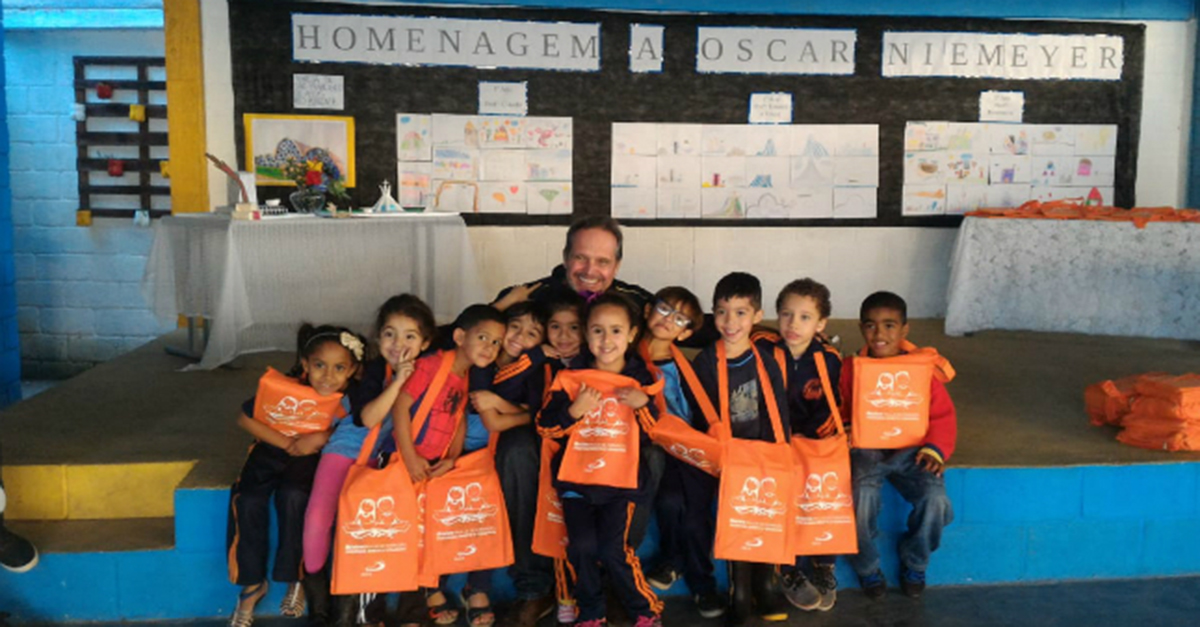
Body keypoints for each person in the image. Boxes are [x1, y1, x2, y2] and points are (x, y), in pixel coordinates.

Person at [365, 304, 507, 627]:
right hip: (402, 461)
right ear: (459, 336)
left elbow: (457, 420)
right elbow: (401, 407)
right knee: (393, 536)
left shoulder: (464, 375)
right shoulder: (431, 366)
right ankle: (370, 612)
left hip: (431, 464)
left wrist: (451, 459)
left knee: (421, 535)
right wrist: (411, 456)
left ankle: (412, 610)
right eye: (483, 337)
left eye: (497, 342)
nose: (490, 347)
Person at [300, 295, 436, 627]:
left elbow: (471, 331)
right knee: (317, 524)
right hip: (348, 449)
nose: (399, 344)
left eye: (410, 336)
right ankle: (320, 604)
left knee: (371, 534)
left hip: (387, 462)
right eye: (390, 334)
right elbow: (368, 417)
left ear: (425, 342)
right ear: (378, 337)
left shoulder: (433, 366)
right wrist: (399, 380)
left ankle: (356, 612)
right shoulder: (374, 370)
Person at [537, 293, 664, 627]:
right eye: (597, 330)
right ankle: (591, 612)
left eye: (616, 330)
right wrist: (573, 411)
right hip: (577, 483)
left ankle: (644, 609)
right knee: (580, 547)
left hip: (622, 485)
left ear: (633, 333)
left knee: (612, 550)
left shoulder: (642, 380)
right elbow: (544, 427)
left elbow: (658, 434)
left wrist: (642, 406)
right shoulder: (570, 379)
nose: (606, 340)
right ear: (585, 334)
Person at [227, 324, 365, 627]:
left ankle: (296, 577)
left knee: (295, 497)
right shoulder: (285, 387)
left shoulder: (352, 398)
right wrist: (288, 443)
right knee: (247, 499)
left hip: (312, 459)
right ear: (305, 364)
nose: (328, 376)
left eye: (339, 368)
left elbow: (356, 429)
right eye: (319, 366)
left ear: (352, 370)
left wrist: (322, 436)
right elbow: (244, 417)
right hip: (271, 450)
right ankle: (252, 585)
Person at [688, 272, 790, 625]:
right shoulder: (705, 361)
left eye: (741, 312)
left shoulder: (767, 359)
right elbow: (702, 416)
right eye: (721, 312)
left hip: (765, 455)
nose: (730, 322)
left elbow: (779, 410)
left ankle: (767, 582)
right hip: (726, 457)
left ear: (758, 316)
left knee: (768, 513)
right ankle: (740, 589)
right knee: (739, 515)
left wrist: (782, 455)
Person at [841, 291, 956, 600]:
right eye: (871, 325)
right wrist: (847, 428)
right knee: (859, 500)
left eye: (890, 326)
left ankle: (916, 561)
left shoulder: (921, 371)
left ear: (905, 330)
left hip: (913, 451)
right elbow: (839, 409)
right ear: (861, 328)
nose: (880, 334)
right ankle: (867, 567)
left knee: (936, 500)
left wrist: (935, 449)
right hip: (867, 452)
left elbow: (943, 416)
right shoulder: (851, 369)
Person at [494, 292, 588, 627]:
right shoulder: (539, 362)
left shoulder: (597, 357)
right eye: (555, 327)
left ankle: (605, 583)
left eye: (574, 327)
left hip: (590, 444)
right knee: (516, 451)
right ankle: (533, 588)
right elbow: (502, 389)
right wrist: (533, 357)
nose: (564, 336)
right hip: (540, 438)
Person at [460, 301, 551, 627]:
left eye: (532, 334)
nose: (519, 337)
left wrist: (501, 404)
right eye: (515, 327)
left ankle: (480, 586)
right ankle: (439, 588)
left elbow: (539, 416)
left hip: (495, 450)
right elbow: (497, 422)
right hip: (469, 447)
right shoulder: (484, 363)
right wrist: (516, 411)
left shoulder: (533, 370)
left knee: (493, 503)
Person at [637, 287, 725, 619]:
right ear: (648, 311)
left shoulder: (685, 365)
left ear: (686, 332)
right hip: (655, 447)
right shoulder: (628, 357)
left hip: (691, 447)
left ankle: (703, 584)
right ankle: (673, 559)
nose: (667, 320)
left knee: (695, 515)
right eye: (663, 309)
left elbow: (701, 412)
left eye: (679, 318)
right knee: (671, 501)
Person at [773, 279, 842, 612]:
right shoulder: (764, 351)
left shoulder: (829, 359)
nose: (793, 324)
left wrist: (810, 439)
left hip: (815, 444)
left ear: (821, 324)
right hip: (776, 444)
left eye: (804, 317)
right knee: (781, 493)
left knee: (824, 490)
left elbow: (834, 407)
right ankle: (787, 568)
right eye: (786, 314)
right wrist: (781, 439)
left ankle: (824, 564)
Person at [493, 216, 654, 312]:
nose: (590, 271)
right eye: (580, 258)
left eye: (602, 261)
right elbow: (474, 332)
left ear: (616, 266)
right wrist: (499, 308)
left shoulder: (636, 301)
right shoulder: (527, 297)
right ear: (565, 257)